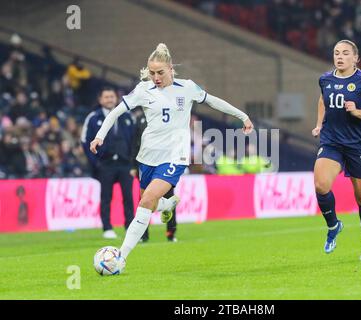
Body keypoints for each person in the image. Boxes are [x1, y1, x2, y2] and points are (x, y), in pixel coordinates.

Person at [90, 43, 254, 262]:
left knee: (146, 200)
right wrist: (100, 135)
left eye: (160, 72)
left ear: (171, 69)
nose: (156, 77)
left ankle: (121, 257)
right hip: (147, 156)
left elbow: (213, 101)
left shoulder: (186, 87)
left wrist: (242, 116)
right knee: (147, 201)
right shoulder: (143, 90)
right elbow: (115, 113)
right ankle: (167, 204)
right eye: (152, 73)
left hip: (175, 156)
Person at [312, 40, 361, 260]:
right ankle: (333, 225)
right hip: (331, 142)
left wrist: (357, 111)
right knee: (320, 184)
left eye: (344, 53)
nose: (339, 57)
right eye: (336, 53)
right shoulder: (325, 79)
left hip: (357, 145)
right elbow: (323, 100)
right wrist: (318, 123)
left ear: (355, 58)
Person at [81, 87, 135, 239]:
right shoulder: (93, 117)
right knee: (106, 197)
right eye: (106, 97)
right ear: (100, 99)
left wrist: (133, 162)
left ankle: (130, 226)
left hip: (125, 164)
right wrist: (96, 163)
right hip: (105, 164)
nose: (110, 99)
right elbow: (85, 141)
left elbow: (135, 141)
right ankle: (107, 228)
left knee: (128, 197)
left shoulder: (127, 116)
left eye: (112, 96)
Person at [130, 107, 178, 242]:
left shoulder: (167, 117)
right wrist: (133, 165)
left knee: (168, 196)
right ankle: (143, 235)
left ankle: (171, 232)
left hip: (165, 163)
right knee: (144, 200)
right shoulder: (139, 120)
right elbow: (134, 144)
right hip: (145, 164)